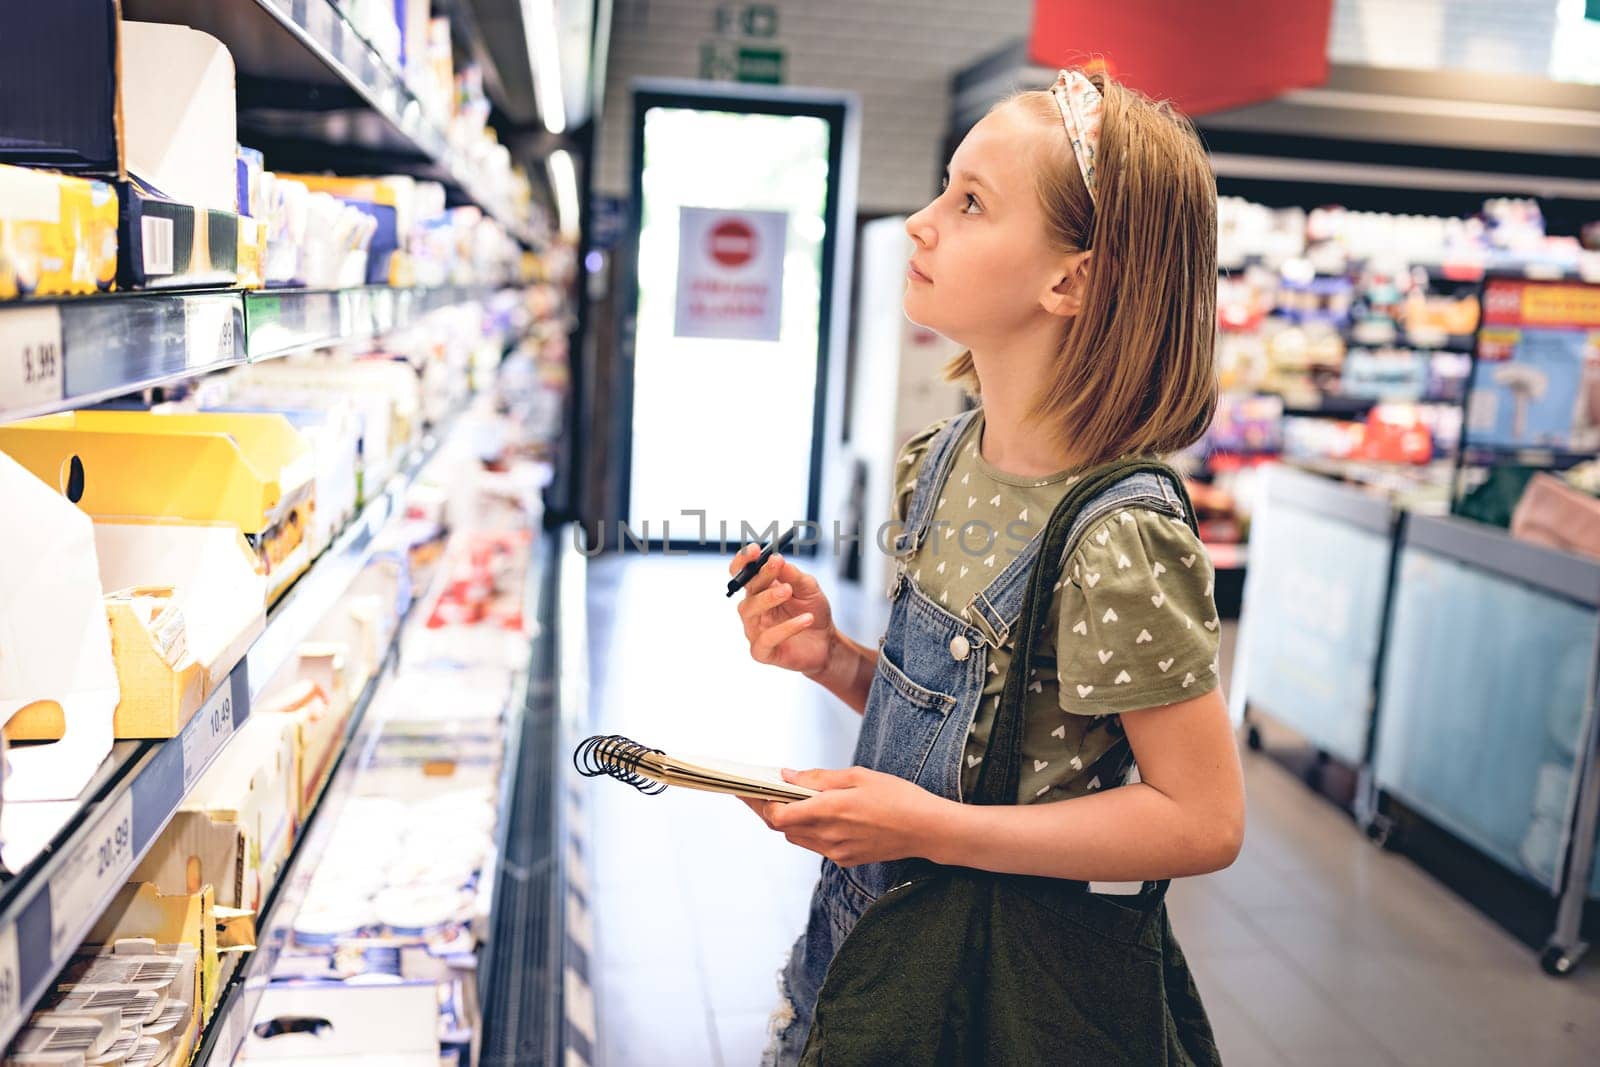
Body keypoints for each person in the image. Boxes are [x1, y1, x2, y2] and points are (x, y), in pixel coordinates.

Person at [730, 69, 1244, 1064]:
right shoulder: (942, 460)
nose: (921, 223)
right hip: (866, 940)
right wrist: (834, 660)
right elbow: (981, 730)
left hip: (1002, 989)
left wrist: (929, 827)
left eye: (969, 202)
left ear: (1071, 280)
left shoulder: (1118, 534)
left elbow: (1201, 817)